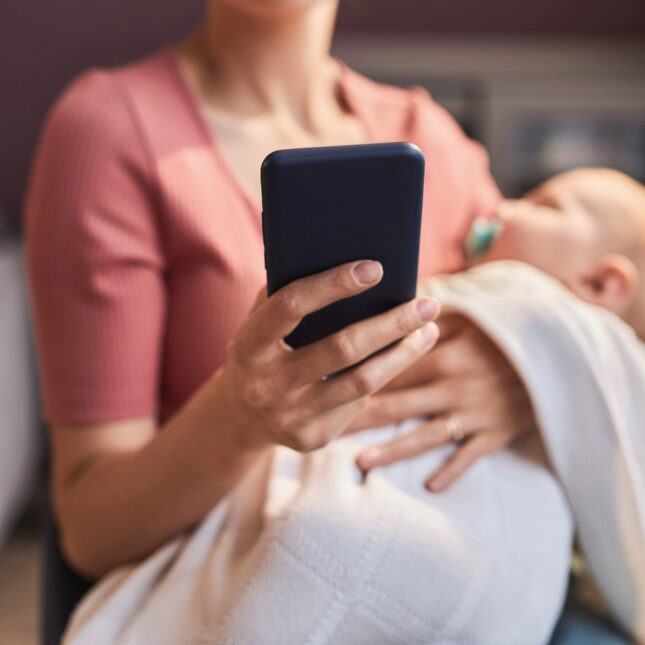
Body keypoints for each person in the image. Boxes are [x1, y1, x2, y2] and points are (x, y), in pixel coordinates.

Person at [24, 0, 529, 588]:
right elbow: (91, 532)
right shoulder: (107, 130)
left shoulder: (432, 140)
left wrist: (527, 390)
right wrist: (238, 418)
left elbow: (564, 324)